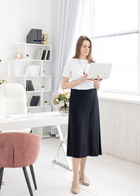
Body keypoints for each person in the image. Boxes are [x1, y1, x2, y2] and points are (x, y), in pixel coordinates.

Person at [61, 36, 102, 194]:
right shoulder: (71, 63)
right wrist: (80, 80)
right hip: (78, 100)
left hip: (92, 100)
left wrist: (97, 82)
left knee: (87, 138)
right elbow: (64, 85)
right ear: (79, 47)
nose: (87, 49)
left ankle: (82, 174)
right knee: (78, 138)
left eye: (89, 47)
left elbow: (97, 87)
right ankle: (74, 178)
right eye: (84, 46)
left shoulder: (93, 64)